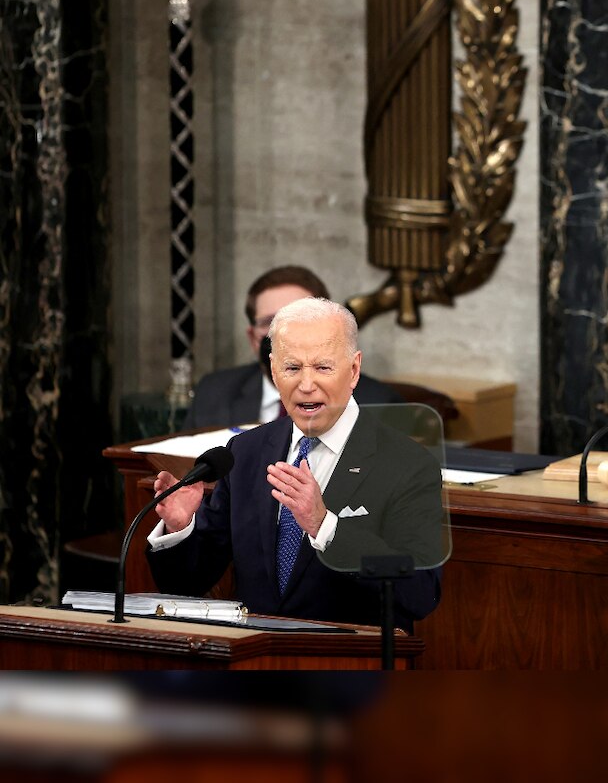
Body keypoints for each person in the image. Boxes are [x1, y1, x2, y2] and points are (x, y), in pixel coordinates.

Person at [147, 298, 445, 629]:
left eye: (322, 367)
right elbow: (185, 585)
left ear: (354, 370)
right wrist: (180, 527)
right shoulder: (246, 452)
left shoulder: (407, 464)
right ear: (274, 371)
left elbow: (420, 594)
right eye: (292, 368)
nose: (305, 385)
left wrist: (324, 527)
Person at [184, 265, 401, 428]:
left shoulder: (378, 404)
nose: (284, 332)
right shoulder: (214, 393)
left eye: (299, 318)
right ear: (253, 338)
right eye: (271, 321)